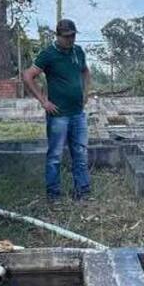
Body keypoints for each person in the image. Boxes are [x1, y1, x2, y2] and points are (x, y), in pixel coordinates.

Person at [21, 19, 91, 202]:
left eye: (73, 36)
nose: (71, 40)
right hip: (58, 116)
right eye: (67, 37)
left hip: (77, 113)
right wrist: (43, 101)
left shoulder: (78, 51)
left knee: (81, 153)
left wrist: (86, 92)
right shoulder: (49, 54)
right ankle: (53, 194)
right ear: (58, 36)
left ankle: (82, 191)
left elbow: (85, 71)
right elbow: (28, 76)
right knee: (55, 156)